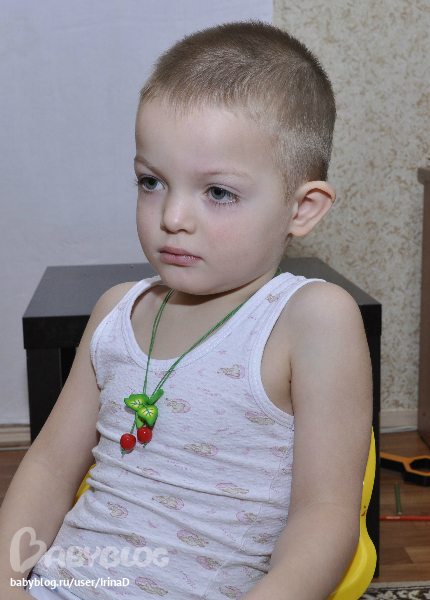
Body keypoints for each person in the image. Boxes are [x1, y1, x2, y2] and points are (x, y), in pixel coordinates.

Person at [0, 20, 373, 600]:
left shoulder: (311, 320)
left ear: (302, 209)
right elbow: (49, 468)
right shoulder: (116, 313)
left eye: (218, 192)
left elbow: (325, 517)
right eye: (151, 182)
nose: (172, 216)